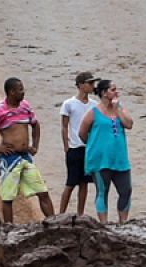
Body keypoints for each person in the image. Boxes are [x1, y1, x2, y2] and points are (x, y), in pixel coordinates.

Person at [0, 77, 55, 225]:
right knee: (8, 197)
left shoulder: (25, 106)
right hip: (10, 159)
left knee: (42, 191)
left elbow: (35, 125)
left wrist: (35, 145)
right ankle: (9, 228)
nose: (23, 92)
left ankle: (54, 223)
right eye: (20, 89)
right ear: (11, 92)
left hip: (25, 157)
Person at [79, 79, 133, 224]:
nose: (116, 92)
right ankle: (104, 223)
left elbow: (129, 124)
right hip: (100, 160)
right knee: (103, 192)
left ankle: (123, 222)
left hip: (120, 159)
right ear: (104, 93)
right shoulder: (93, 112)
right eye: (113, 89)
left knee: (126, 191)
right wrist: (93, 145)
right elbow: (82, 133)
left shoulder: (120, 108)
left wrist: (117, 110)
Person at [59, 72, 97, 215]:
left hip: (88, 147)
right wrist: (66, 146)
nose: (92, 86)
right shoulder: (69, 104)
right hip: (74, 147)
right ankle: (61, 213)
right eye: (89, 83)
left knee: (84, 183)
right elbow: (64, 126)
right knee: (70, 183)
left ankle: (80, 213)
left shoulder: (94, 105)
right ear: (81, 85)